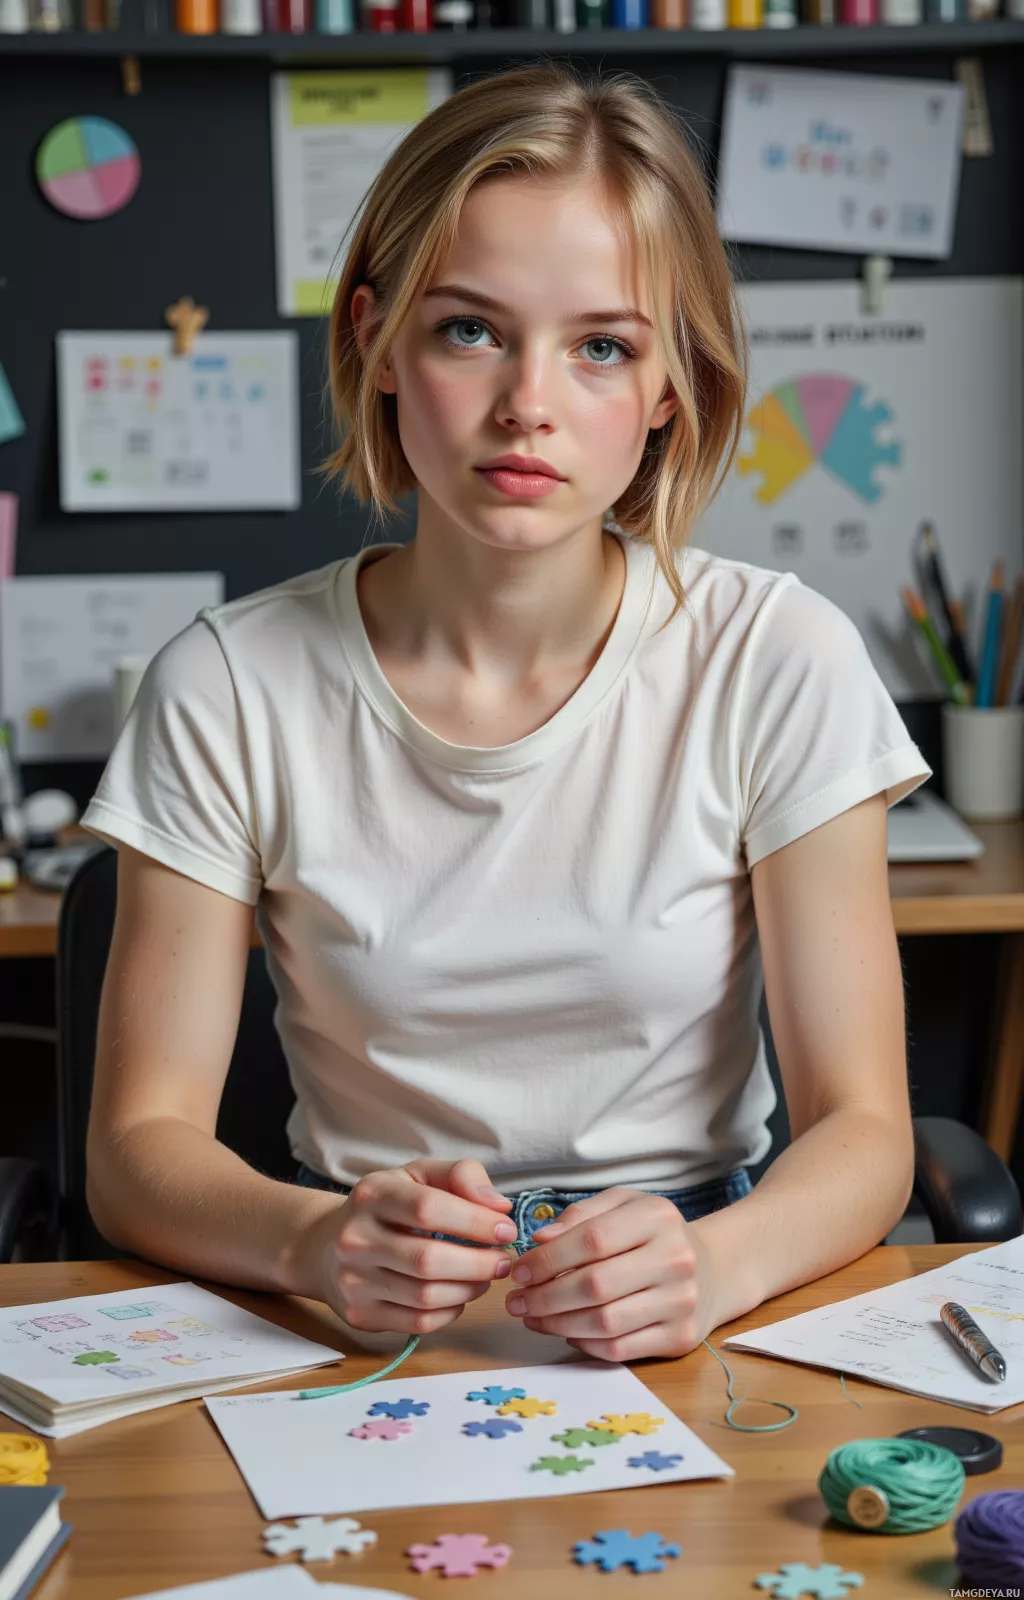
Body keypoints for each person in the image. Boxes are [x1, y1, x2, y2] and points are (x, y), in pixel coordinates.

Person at [82, 60, 930, 1365]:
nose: (529, 401)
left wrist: (715, 1264)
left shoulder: (778, 656)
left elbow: (867, 1129)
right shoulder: (228, 685)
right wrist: (313, 1244)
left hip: (698, 1301)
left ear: (669, 393)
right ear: (372, 340)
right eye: (470, 328)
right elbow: (136, 1153)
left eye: (602, 346)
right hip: (355, 1308)